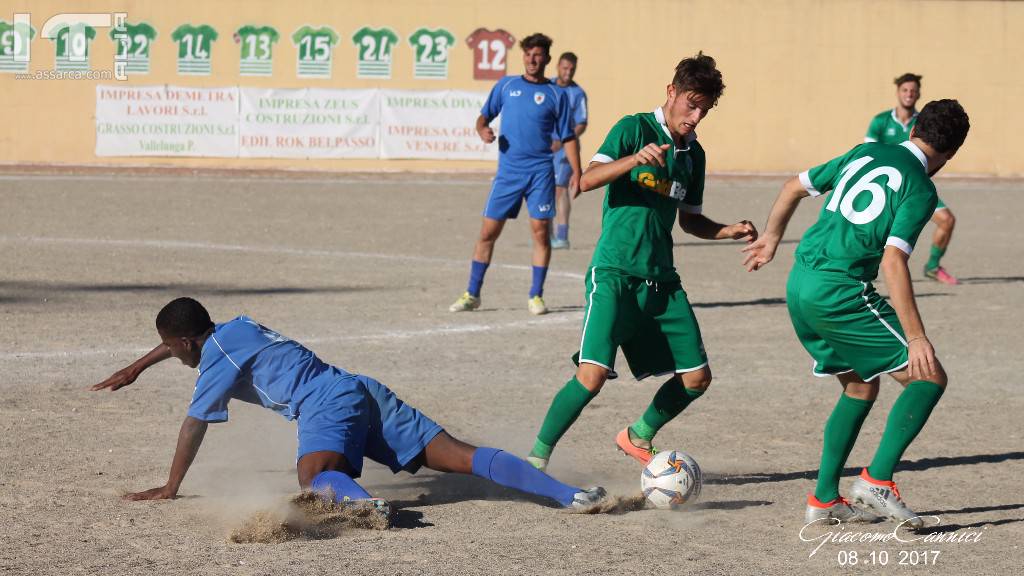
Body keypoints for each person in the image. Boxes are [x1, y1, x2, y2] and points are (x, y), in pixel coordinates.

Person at [91, 297, 607, 519]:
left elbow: (193, 426)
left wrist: (170, 487)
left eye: (170, 349)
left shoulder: (214, 361)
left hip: (323, 405)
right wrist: (139, 366)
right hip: (359, 389)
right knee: (463, 456)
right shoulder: (234, 328)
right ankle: (573, 496)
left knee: (313, 477)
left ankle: (364, 506)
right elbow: (183, 336)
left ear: (185, 344)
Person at [525, 53, 757, 472]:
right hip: (614, 273)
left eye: (705, 108)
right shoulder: (633, 128)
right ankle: (535, 459)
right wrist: (634, 159)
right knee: (592, 376)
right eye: (691, 103)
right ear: (672, 92)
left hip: (661, 282)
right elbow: (585, 181)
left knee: (696, 378)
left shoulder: (693, 155)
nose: (697, 114)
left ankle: (638, 436)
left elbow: (690, 221)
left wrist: (727, 230)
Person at [742, 99, 970, 527]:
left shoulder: (865, 152)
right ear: (951, 152)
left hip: (800, 284)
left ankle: (824, 499)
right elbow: (892, 263)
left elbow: (793, 185)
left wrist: (771, 238)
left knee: (860, 388)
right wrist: (916, 336)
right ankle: (876, 480)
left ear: (915, 126)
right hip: (839, 292)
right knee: (929, 377)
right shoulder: (921, 188)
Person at [449, 33, 581, 316]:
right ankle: (472, 293)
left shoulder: (557, 94)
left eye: (537, 55)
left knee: (540, 234)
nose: (532, 60)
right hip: (508, 173)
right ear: (523, 57)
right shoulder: (506, 86)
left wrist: (577, 173)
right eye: (528, 54)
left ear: (547, 59)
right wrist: (482, 129)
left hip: (540, 174)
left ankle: (536, 295)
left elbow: (569, 137)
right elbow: (483, 116)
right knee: (488, 233)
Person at [865, 73, 959, 284]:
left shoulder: (924, 123)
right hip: (885, 185)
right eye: (905, 90)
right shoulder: (881, 121)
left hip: (915, 187)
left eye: (913, 91)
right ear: (898, 92)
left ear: (919, 94)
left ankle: (933, 266)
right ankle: (864, 269)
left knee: (947, 219)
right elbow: (870, 152)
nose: (909, 94)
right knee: (876, 227)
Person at [550, 52, 588, 250]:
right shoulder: (547, 86)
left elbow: (582, 123)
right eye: (565, 68)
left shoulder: (578, 93)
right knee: (544, 189)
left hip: (565, 150)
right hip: (546, 148)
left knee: (560, 189)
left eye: (572, 69)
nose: (568, 72)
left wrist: (565, 140)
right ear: (558, 66)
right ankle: (546, 234)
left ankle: (562, 236)